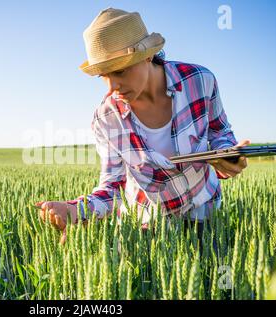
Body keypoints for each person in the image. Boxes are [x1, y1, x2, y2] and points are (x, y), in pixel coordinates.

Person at [35, 8, 249, 245]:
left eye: (119, 70)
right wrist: (76, 210)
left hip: (204, 210)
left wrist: (229, 156)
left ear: (148, 55)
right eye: (103, 76)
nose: (112, 86)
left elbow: (220, 132)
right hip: (149, 225)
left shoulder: (199, 80)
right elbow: (114, 187)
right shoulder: (106, 119)